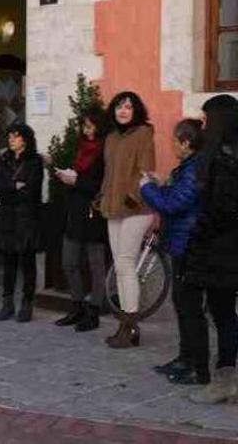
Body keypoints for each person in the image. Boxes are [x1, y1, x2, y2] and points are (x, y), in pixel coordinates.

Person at [183, 95, 238, 404]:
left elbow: (219, 211)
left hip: (221, 250)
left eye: (204, 121)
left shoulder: (222, 159)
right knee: (224, 311)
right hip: (225, 248)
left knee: (222, 312)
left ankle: (224, 379)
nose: (201, 127)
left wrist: (198, 234)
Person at [139, 119, 203, 383]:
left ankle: (194, 363)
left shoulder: (194, 169)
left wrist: (147, 188)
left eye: (175, 141)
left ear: (186, 143)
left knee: (189, 307)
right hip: (181, 243)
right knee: (182, 304)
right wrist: (161, 184)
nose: (173, 145)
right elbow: (177, 196)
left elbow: (173, 205)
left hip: (189, 245)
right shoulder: (188, 167)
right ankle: (185, 357)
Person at [99, 91, 156, 348]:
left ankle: (131, 326)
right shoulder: (111, 137)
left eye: (129, 107)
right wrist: (100, 197)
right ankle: (125, 323)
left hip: (136, 208)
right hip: (112, 208)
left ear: (136, 111)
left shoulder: (143, 133)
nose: (123, 111)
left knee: (125, 264)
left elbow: (146, 171)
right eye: (119, 106)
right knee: (120, 267)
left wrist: (133, 196)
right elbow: (109, 173)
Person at [52, 109, 110, 332]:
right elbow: (81, 179)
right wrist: (67, 176)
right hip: (76, 212)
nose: (86, 130)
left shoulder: (105, 151)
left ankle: (94, 311)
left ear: (99, 126)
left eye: (90, 126)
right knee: (69, 262)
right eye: (84, 126)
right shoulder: (82, 149)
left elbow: (101, 185)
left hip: (94, 213)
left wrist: (76, 181)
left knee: (96, 265)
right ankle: (77, 307)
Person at [0, 123, 44, 322]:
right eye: (10, 136)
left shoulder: (35, 162)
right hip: (8, 217)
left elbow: (31, 191)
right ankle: (7, 302)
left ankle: (27, 303)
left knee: (27, 262)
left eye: (16, 136)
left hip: (27, 218)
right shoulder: (5, 159)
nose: (11, 140)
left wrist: (7, 189)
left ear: (25, 140)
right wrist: (13, 186)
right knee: (9, 261)